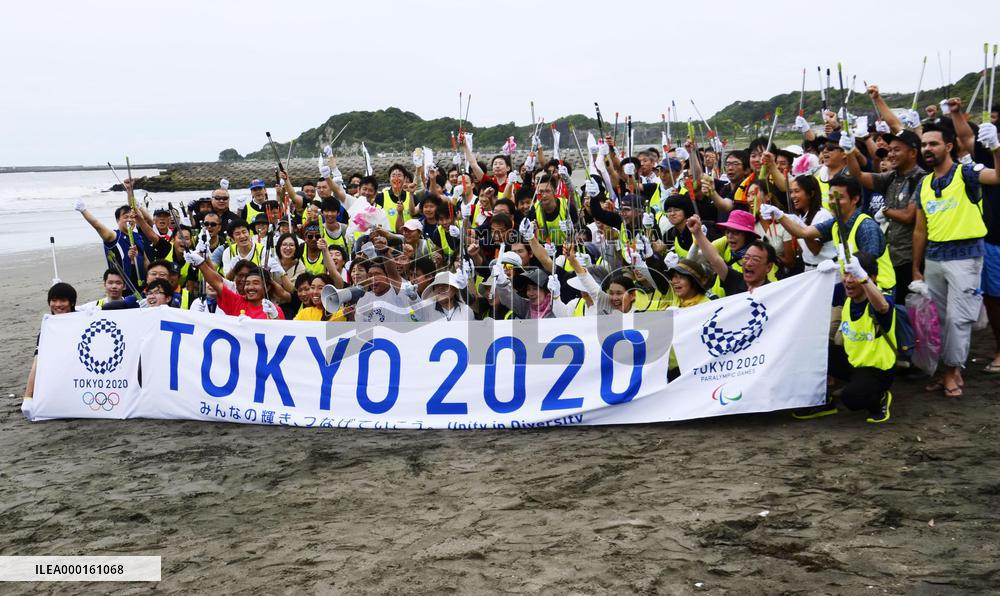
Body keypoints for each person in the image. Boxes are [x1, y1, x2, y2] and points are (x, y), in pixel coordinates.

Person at [912, 121, 1000, 396]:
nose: (927, 148)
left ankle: (952, 372)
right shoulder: (925, 183)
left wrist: (996, 148)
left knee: (958, 319)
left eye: (933, 143)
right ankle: (949, 371)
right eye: (924, 144)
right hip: (935, 257)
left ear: (948, 146)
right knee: (938, 319)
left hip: (966, 257)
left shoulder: (967, 172)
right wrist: (917, 267)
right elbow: (920, 229)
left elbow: (997, 177)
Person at [761, 175, 895, 293]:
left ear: (855, 199)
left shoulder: (866, 227)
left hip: (880, 291)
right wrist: (779, 215)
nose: (833, 202)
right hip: (855, 290)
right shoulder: (835, 224)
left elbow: (869, 269)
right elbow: (803, 232)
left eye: (838, 198)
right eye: (830, 197)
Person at [802, 253, 895, 423]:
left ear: (871, 277)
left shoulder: (881, 299)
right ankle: (823, 402)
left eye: (854, 275)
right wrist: (820, 276)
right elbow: (815, 293)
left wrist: (864, 278)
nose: (849, 280)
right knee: (810, 353)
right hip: (852, 362)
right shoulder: (846, 296)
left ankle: (879, 399)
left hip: (877, 370)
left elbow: (882, 307)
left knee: (852, 398)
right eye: (846, 273)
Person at [846, 129, 925, 302]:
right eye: (890, 150)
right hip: (889, 259)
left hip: (909, 259)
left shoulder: (921, 179)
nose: (891, 154)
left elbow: (908, 216)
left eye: (897, 150)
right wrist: (849, 151)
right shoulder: (890, 177)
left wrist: (884, 211)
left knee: (907, 310)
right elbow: (857, 175)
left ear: (912, 153)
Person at [185, 243, 284, 319]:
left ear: (267, 287)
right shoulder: (237, 302)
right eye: (247, 283)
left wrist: (275, 317)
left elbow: (282, 337)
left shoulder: (275, 310)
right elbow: (217, 282)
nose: (250, 287)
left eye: (256, 283)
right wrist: (201, 263)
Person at [689, 213, 774, 296]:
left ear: (768, 267)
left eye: (755, 259)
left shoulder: (774, 292)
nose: (748, 263)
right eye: (746, 258)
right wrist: (698, 233)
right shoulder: (735, 280)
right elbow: (714, 259)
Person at [24, 282, 78, 398]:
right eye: (54, 300)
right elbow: (37, 362)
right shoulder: (47, 329)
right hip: (58, 381)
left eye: (62, 300)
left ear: (72, 302)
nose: (57, 305)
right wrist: (28, 397)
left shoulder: (84, 322)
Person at [786, 175, 837, 270]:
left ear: (811, 193)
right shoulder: (802, 216)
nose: (792, 196)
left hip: (826, 270)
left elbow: (815, 250)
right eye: (791, 192)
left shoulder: (822, 215)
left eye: (797, 191)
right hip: (809, 269)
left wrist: (799, 227)